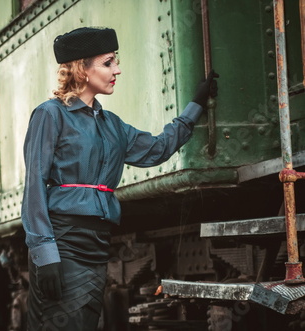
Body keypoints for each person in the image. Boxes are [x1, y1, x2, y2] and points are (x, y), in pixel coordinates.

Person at [21, 27, 218, 330]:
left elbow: (156, 150)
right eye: (108, 62)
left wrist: (195, 107)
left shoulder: (112, 125)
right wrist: (44, 253)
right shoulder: (50, 115)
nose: (118, 70)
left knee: (85, 323)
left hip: (98, 243)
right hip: (64, 240)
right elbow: (34, 185)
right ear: (82, 69)